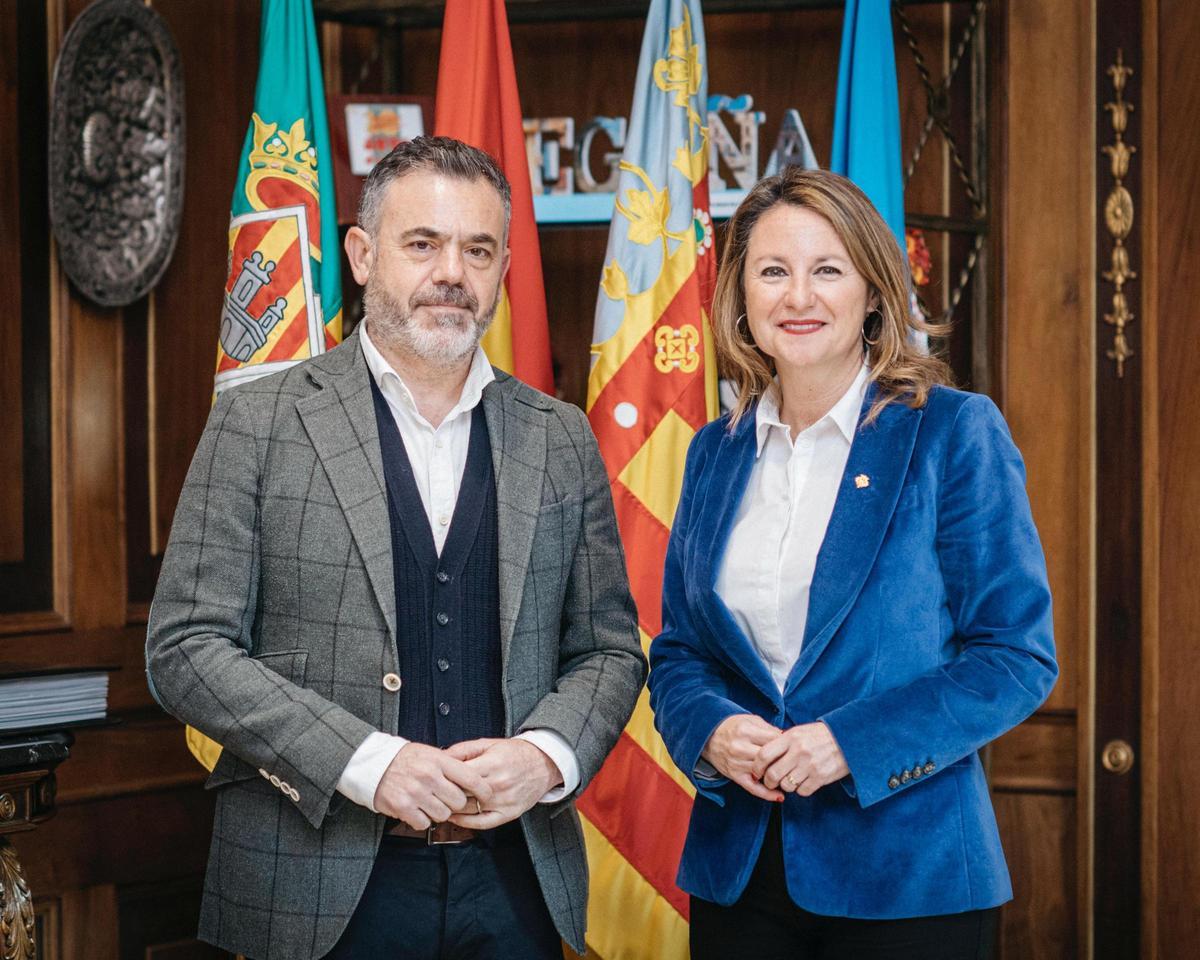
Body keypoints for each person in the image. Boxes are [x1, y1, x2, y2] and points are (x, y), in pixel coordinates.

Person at [145, 136, 644, 960]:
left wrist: (544, 755)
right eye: (423, 244)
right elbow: (185, 648)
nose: (452, 273)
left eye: (477, 250)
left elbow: (609, 650)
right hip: (311, 888)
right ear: (362, 255)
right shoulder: (258, 423)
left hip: (515, 884)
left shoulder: (560, 436)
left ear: (503, 267)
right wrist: (366, 762)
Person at [648, 167, 1057, 960]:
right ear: (741, 296)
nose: (798, 296)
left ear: (873, 292)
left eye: (827, 270)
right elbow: (681, 653)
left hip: (909, 878)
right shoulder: (713, 452)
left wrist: (848, 743)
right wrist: (713, 731)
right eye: (773, 271)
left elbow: (1015, 658)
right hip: (740, 874)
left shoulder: (952, 433)